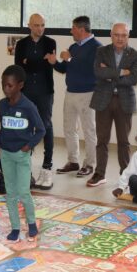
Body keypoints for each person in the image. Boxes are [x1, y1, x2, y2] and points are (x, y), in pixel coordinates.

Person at [0, 65, 45, 242]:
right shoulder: (2, 105)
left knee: (24, 192)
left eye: (10, 85)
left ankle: (32, 224)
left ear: (20, 85)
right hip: (6, 155)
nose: (6, 89)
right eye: (3, 85)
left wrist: (28, 146)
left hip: (21, 156)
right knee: (10, 193)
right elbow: (4, 128)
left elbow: (41, 130)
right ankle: (15, 227)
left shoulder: (28, 106)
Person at [46, 16, 102, 178]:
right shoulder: (74, 46)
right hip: (70, 93)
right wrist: (54, 62)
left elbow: (91, 69)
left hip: (88, 94)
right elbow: (65, 68)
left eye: (73, 28)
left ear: (81, 29)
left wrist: (69, 58)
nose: (71, 31)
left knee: (89, 130)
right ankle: (73, 161)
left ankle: (90, 164)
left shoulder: (97, 48)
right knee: (69, 128)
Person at [88, 23, 137, 187]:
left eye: (123, 35)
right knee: (102, 139)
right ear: (111, 35)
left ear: (128, 36)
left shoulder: (135, 55)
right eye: (116, 35)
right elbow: (98, 72)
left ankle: (124, 176)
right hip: (103, 99)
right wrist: (121, 71)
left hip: (124, 100)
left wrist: (109, 72)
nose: (120, 38)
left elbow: (134, 79)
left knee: (124, 141)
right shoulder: (101, 51)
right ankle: (99, 174)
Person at [14, 13, 56, 190]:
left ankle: (47, 167)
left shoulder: (50, 43)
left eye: (43, 25)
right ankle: (25, 167)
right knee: (24, 126)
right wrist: (38, 61)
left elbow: (47, 65)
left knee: (45, 125)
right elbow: (18, 66)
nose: (40, 28)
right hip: (26, 91)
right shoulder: (21, 44)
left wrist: (29, 62)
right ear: (29, 25)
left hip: (45, 91)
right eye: (37, 25)